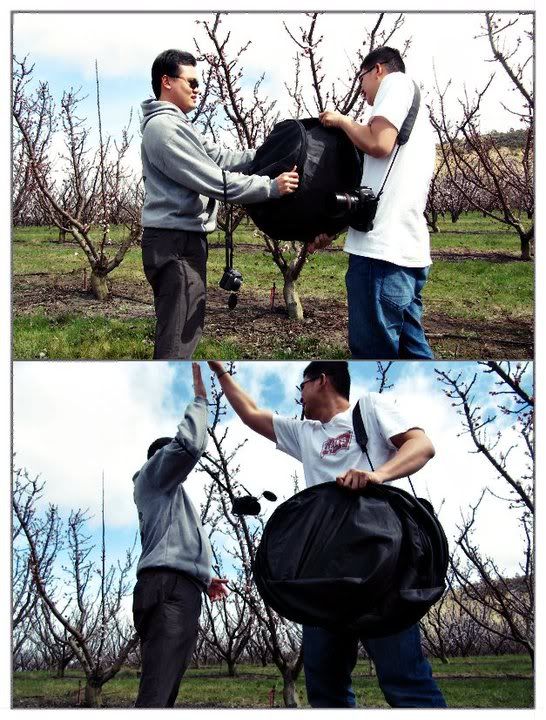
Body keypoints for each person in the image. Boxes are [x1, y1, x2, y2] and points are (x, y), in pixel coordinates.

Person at [207, 359, 447, 709]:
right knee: (324, 685)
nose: (299, 396)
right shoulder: (305, 433)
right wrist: (221, 372)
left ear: (321, 380)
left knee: (403, 680)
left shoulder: (369, 409)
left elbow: (421, 445)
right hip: (323, 574)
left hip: (380, 565)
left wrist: (376, 475)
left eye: (301, 386)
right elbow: (251, 413)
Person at [141, 49, 299, 359]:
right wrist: (269, 188)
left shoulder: (178, 125)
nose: (198, 89)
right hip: (175, 243)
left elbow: (221, 157)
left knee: (183, 330)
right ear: (167, 82)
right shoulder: (164, 129)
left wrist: (266, 153)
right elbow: (213, 179)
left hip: (182, 239)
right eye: (192, 82)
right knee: (177, 339)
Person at [312, 46, 436, 360]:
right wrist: (336, 229)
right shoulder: (421, 122)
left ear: (378, 69)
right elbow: (376, 194)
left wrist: (341, 121)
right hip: (407, 255)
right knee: (411, 355)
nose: (362, 89)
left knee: (372, 356)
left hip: (381, 260)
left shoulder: (397, 84)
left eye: (362, 79)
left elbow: (378, 144)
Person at [132, 363, 229, 707]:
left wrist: (202, 577)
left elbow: (174, 543)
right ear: (160, 457)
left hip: (177, 586)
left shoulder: (167, 495)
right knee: (157, 692)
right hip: (169, 589)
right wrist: (200, 399)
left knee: (164, 684)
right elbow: (188, 445)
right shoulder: (154, 474)